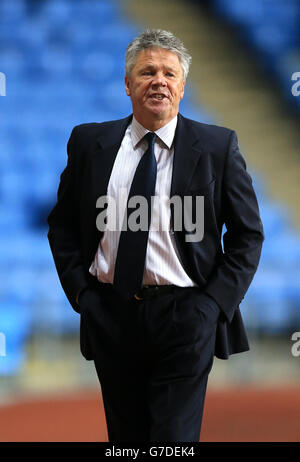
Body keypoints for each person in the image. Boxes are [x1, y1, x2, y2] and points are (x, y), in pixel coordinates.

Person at [47, 29, 264, 442]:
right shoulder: (88, 141)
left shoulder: (218, 147)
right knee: (126, 441)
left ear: (182, 85)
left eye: (169, 73)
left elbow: (248, 235)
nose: (159, 81)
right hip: (109, 314)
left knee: (172, 440)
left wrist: (213, 305)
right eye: (147, 72)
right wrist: (83, 295)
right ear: (128, 84)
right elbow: (62, 225)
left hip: (186, 315)